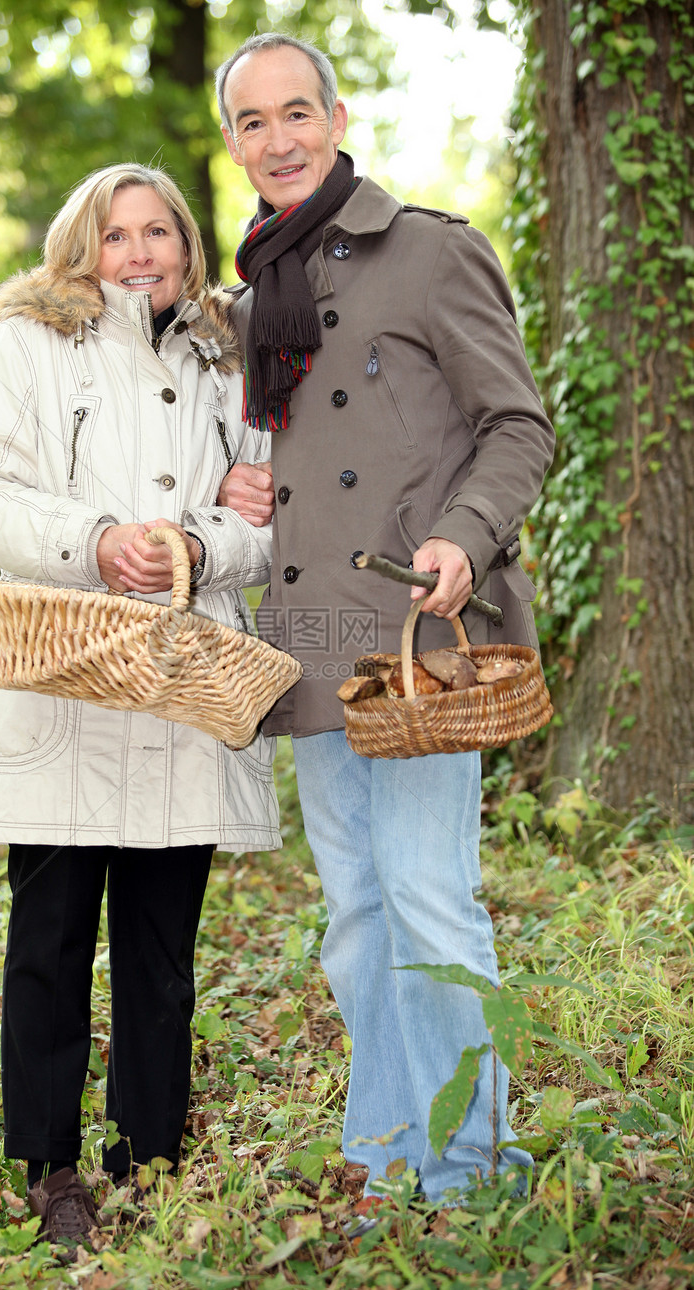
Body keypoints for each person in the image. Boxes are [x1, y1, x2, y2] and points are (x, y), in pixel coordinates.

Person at [214, 34, 556, 1208]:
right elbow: (287, 453)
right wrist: (242, 483)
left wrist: (463, 535)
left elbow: (517, 425)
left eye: (294, 113)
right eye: (252, 123)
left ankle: (472, 1172)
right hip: (308, 637)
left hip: (416, 633)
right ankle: (385, 1149)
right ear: (233, 144)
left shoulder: (427, 252)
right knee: (356, 913)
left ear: (336, 113)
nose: (278, 140)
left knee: (424, 897)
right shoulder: (257, 286)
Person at [0, 163, 280, 1250]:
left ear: (186, 244)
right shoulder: (28, 346)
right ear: (80, 248)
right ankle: (50, 1169)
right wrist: (92, 540)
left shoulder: (231, 357)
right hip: (65, 677)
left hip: (184, 679)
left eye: (157, 233)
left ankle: (153, 1153)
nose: (138, 253)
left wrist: (197, 543)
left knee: (161, 942)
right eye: (114, 233)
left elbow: (270, 514)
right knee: (47, 935)